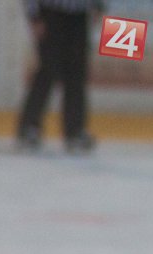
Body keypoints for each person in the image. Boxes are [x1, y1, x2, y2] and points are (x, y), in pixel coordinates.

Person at [16, 0, 103, 153]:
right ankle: (29, 127)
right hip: (51, 13)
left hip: (79, 15)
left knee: (76, 74)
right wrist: (34, 16)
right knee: (48, 70)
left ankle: (75, 130)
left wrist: (98, 5)